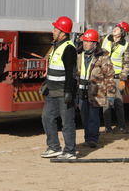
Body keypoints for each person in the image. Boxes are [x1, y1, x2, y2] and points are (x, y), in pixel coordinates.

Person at [40, 16, 78, 160]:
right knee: (47, 117)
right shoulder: (57, 45)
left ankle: (70, 151)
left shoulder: (69, 48)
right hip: (52, 90)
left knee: (67, 122)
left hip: (63, 92)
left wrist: (68, 92)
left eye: (56, 29)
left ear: (63, 32)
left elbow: (70, 73)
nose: (53, 31)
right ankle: (54, 147)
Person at [77, 28, 117, 148]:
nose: (85, 44)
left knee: (93, 116)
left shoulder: (103, 57)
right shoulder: (80, 54)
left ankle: (93, 139)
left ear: (95, 44)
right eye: (84, 41)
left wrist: (110, 95)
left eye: (88, 42)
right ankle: (87, 137)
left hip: (96, 92)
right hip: (82, 90)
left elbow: (109, 76)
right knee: (84, 116)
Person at [101, 22, 129, 133]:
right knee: (107, 102)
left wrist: (123, 79)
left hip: (117, 77)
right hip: (106, 76)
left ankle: (122, 126)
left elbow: (126, 63)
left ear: (122, 33)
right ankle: (108, 127)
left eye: (118, 28)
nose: (115, 29)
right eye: (115, 27)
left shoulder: (125, 46)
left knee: (118, 102)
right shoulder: (105, 39)